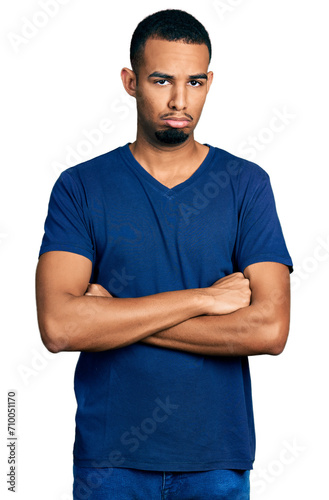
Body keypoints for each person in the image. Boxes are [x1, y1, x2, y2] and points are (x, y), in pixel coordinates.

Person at [35, 9, 293, 500]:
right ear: (131, 82)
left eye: (195, 82)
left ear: (210, 81)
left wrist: (111, 316)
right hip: (109, 464)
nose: (180, 100)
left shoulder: (246, 185)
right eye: (161, 80)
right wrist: (202, 299)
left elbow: (269, 329)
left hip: (217, 462)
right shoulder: (81, 187)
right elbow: (60, 327)